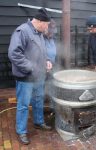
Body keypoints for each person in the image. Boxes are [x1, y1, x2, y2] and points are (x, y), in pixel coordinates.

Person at [8, 8, 53, 145]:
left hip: (38, 76)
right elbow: (14, 54)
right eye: (46, 24)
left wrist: (47, 61)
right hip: (26, 77)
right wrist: (30, 67)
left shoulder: (38, 33)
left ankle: (39, 122)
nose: (47, 27)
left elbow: (41, 51)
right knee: (23, 105)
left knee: (38, 100)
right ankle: (21, 131)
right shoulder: (22, 31)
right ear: (39, 21)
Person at [44, 18, 57, 114]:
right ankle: (39, 110)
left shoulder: (51, 39)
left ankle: (53, 109)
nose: (52, 33)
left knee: (52, 87)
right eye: (51, 30)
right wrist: (46, 61)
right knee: (39, 90)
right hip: (42, 68)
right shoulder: (40, 38)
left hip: (51, 67)